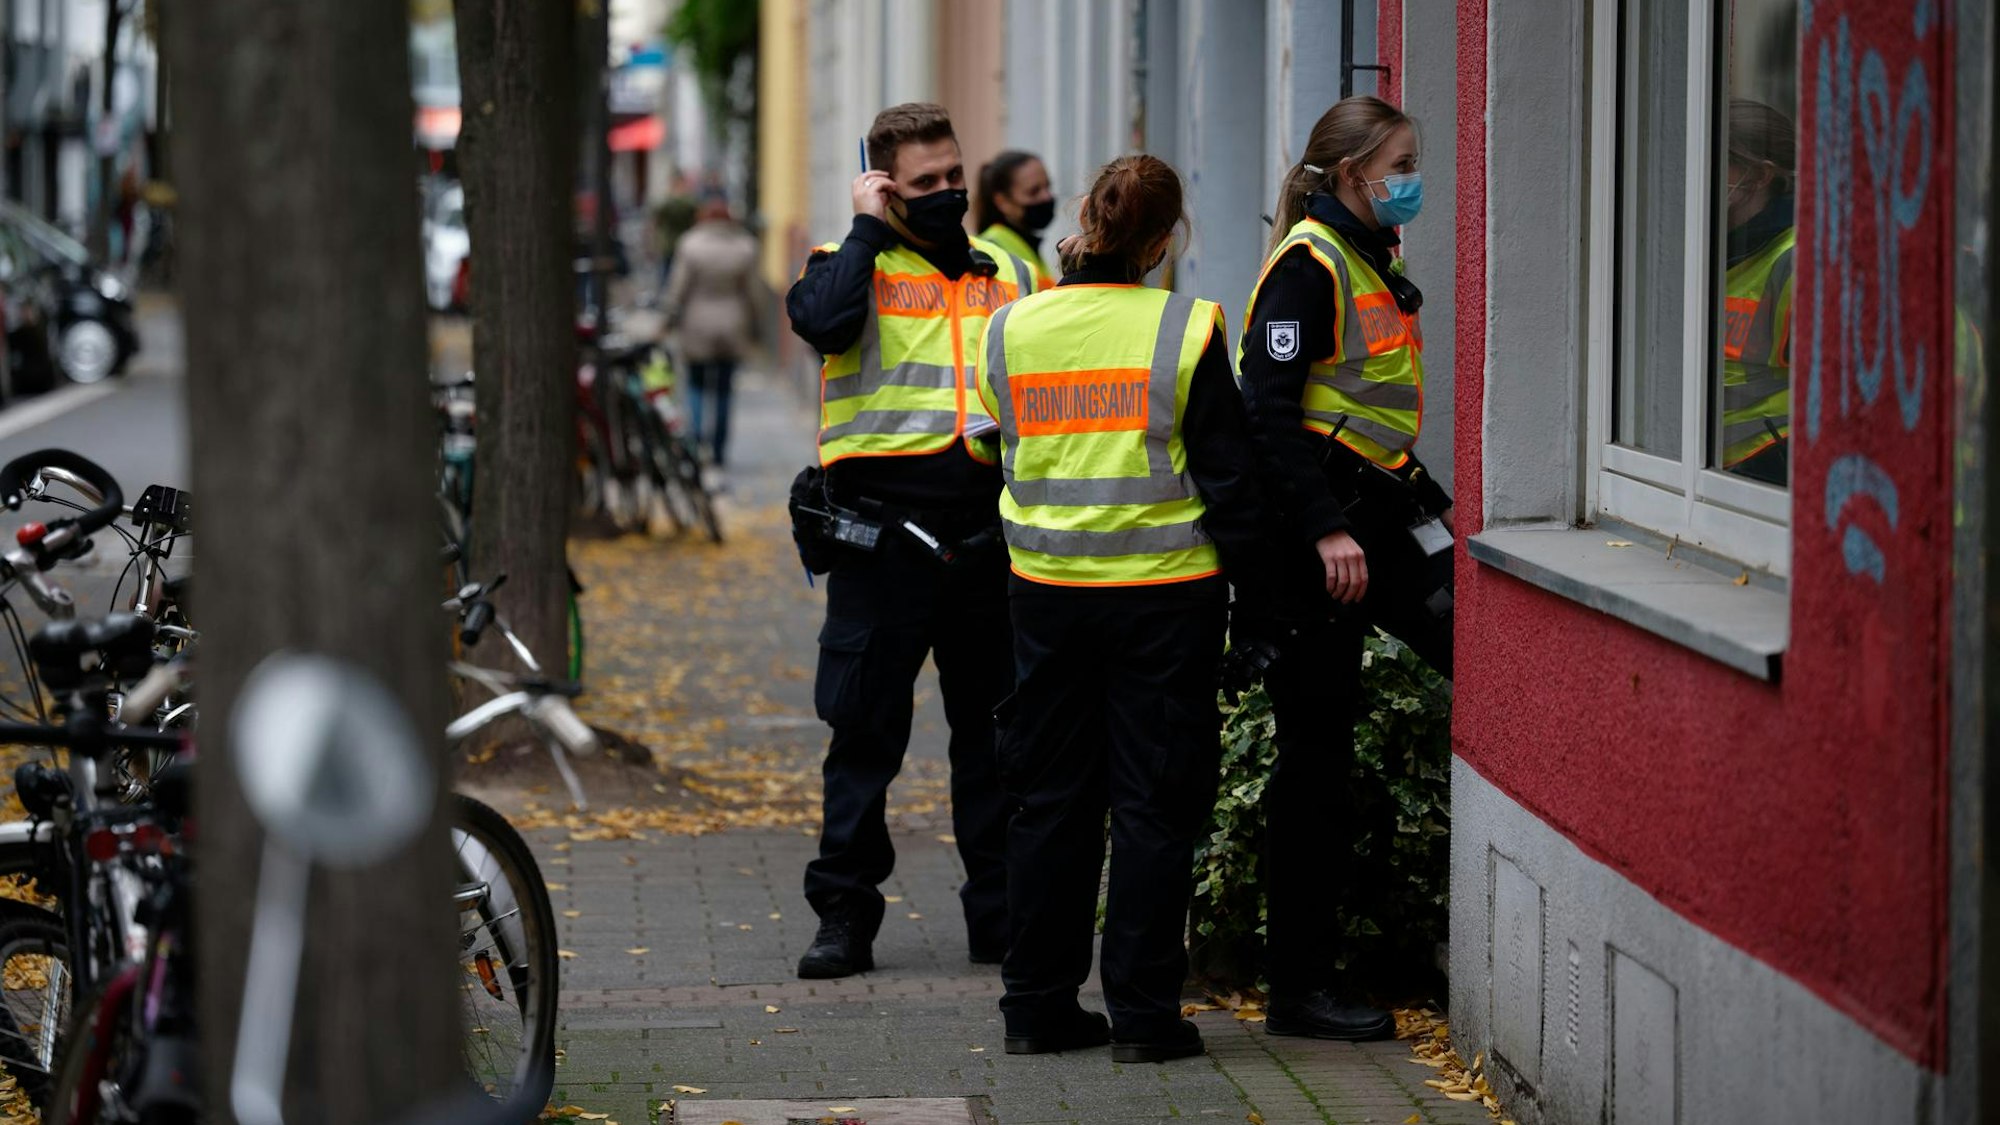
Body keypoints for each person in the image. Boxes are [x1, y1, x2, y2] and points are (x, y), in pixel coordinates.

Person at [977, 154, 1280, 1063]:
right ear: (1163, 241)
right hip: (1165, 604)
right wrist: (1262, 610)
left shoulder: (1011, 327)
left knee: (1050, 803)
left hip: (1046, 600)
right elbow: (1230, 484)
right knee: (1153, 806)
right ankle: (1144, 1019)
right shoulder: (1187, 329)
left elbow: (1000, 442)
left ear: (1084, 219)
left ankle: (1035, 1006)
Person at [784, 102, 1036, 980]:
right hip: (881, 544)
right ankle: (843, 918)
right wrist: (862, 227)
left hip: (984, 538)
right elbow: (821, 323)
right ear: (884, 184)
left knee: (998, 743)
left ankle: (999, 922)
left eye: (952, 177)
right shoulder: (845, 263)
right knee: (862, 739)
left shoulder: (1005, 268)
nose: (944, 194)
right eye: (922, 183)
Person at [1234, 95, 1452, 1042]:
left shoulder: (1366, 257)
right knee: (1312, 764)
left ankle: (1321, 972)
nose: (1413, 179)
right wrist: (1326, 531)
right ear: (1354, 172)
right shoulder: (1310, 266)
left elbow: (1363, 413)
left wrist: (1430, 505)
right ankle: (1299, 989)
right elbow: (1269, 417)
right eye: (1400, 162)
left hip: (1369, 518)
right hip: (1321, 543)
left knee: (1461, 657)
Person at [1718, 98, 1796, 487]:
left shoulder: (1797, 262)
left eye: (1719, 160)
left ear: (1760, 176)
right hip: (1703, 469)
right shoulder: (1704, 245)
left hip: (1772, 466)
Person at [661, 194, 761, 467]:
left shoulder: (690, 245)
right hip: (732, 323)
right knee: (724, 390)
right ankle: (718, 449)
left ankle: (695, 445)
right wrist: (755, 324)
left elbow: (677, 288)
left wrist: (668, 319)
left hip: (697, 323)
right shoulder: (745, 246)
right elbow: (753, 292)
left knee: (695, 384)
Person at [974, 151, 1057, 291]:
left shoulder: (1026, 244)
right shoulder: (990, 249)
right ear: (1002, 202)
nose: (1046, 197)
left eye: (1047, 186)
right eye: (1033, 191)